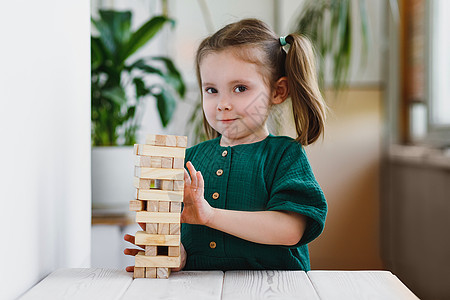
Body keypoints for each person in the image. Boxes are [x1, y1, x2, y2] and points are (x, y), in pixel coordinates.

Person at [124, 18, 327, 272]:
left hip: (275, 290)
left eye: (240, 88)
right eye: (211, 90)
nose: (222, 103)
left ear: (278, 91)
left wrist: (210, 216)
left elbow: (291, 230)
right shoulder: (187, 159)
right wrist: (175, 254)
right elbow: (180, 236)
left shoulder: (285, 155)